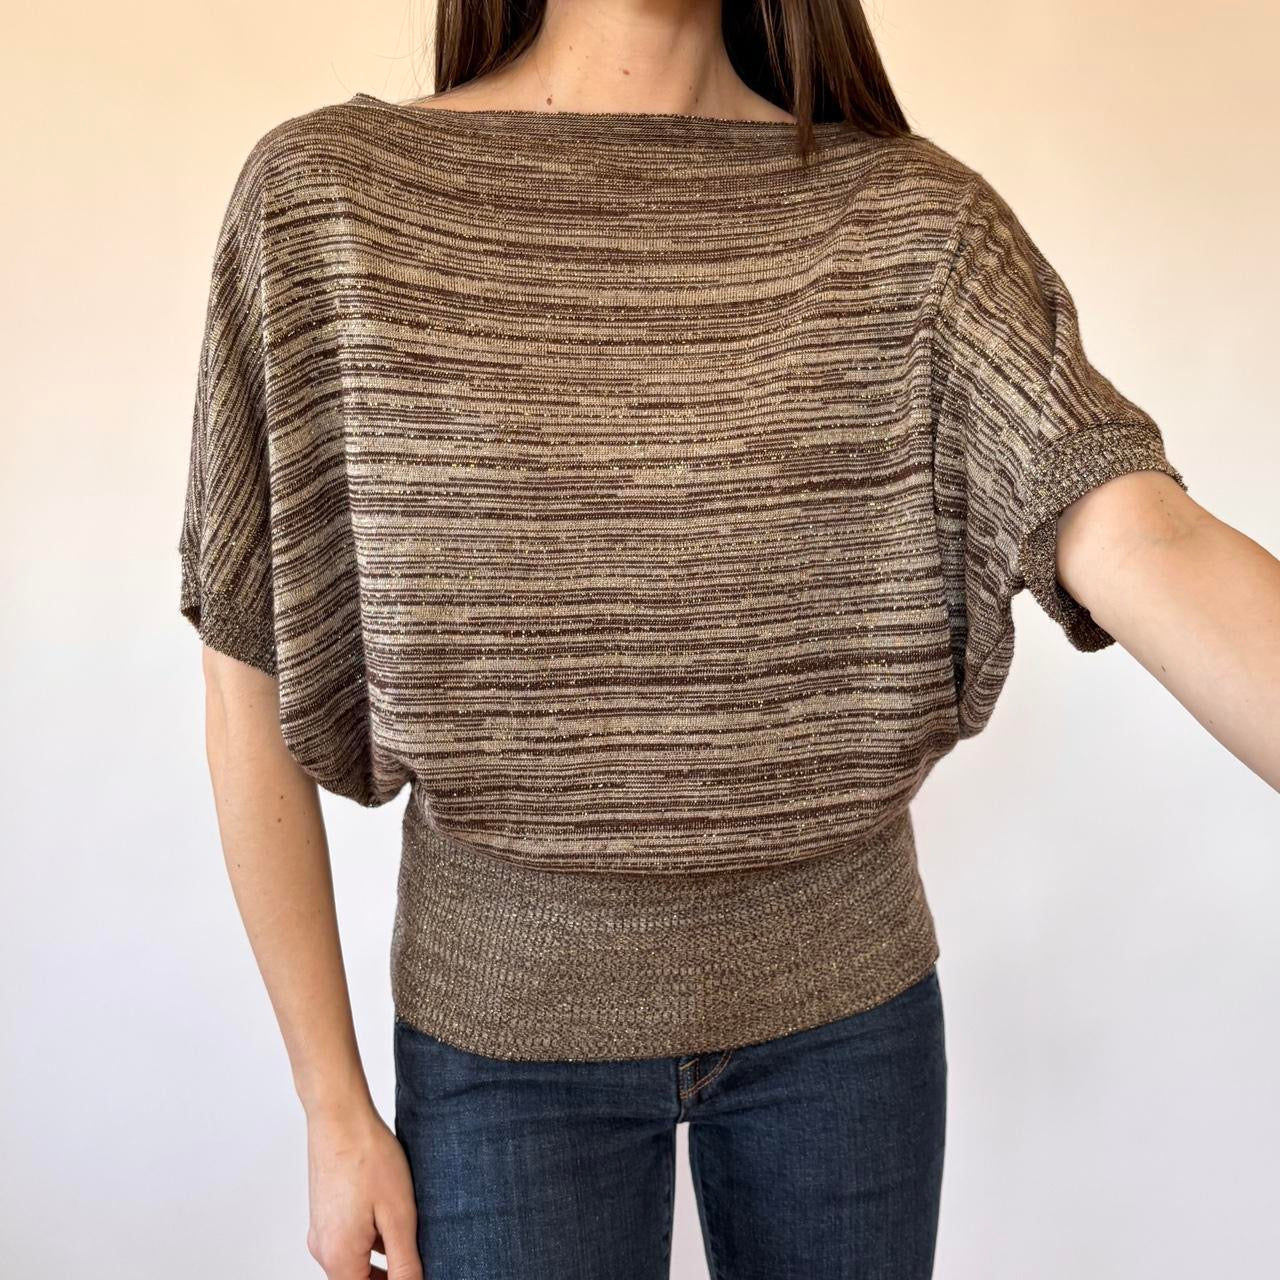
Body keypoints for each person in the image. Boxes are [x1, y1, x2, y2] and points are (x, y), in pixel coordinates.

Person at [177, 2, 1280, 1278]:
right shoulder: (328, 200)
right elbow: (242, 673)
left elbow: (1140, 530)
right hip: (501, 1039)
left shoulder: (917, 225)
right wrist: (331, 1105)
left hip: (847, 1025)